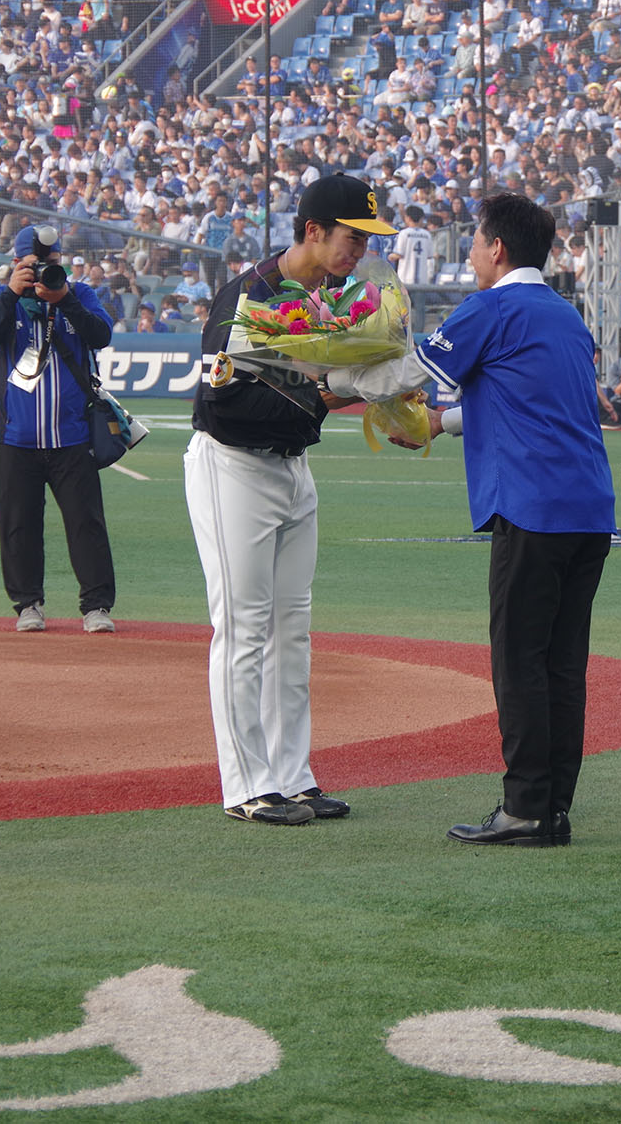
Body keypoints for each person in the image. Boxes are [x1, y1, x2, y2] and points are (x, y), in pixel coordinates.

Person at [329, 192, 616, 847]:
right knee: (562, 665)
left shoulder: (491, 306)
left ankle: (523, 807)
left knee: (519, 661)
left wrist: (330, 371)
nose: (470, 254)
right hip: (588, 510)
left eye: (476, 241)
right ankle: (551, 807)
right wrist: (439, 421)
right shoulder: (565, 316)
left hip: (530, 507)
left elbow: (409, 369)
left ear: (498, 249)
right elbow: (528, 395)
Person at [184, 174, 396, 827]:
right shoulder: (248, 295)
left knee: (292, 631)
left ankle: (293, 776)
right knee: (244, 628)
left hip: (292, 470)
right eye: (352, 238)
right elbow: (222, 397)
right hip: (232, 467)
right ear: (312, 230)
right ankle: (248, 785)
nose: (359, 252)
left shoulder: (335, 303)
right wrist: (324, 396)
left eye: (366, 241)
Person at [0, 224, 118, 634]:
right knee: (18, 525)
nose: (45, 274)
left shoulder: (81, 295)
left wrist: (65, 300)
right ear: (16, 264)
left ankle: (97, 606)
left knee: (87, 524)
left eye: (52, 265)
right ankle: (27, 604)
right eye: (35, 266)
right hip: (15, 438)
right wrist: (12, 293)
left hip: (73, 437)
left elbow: (101, 334)